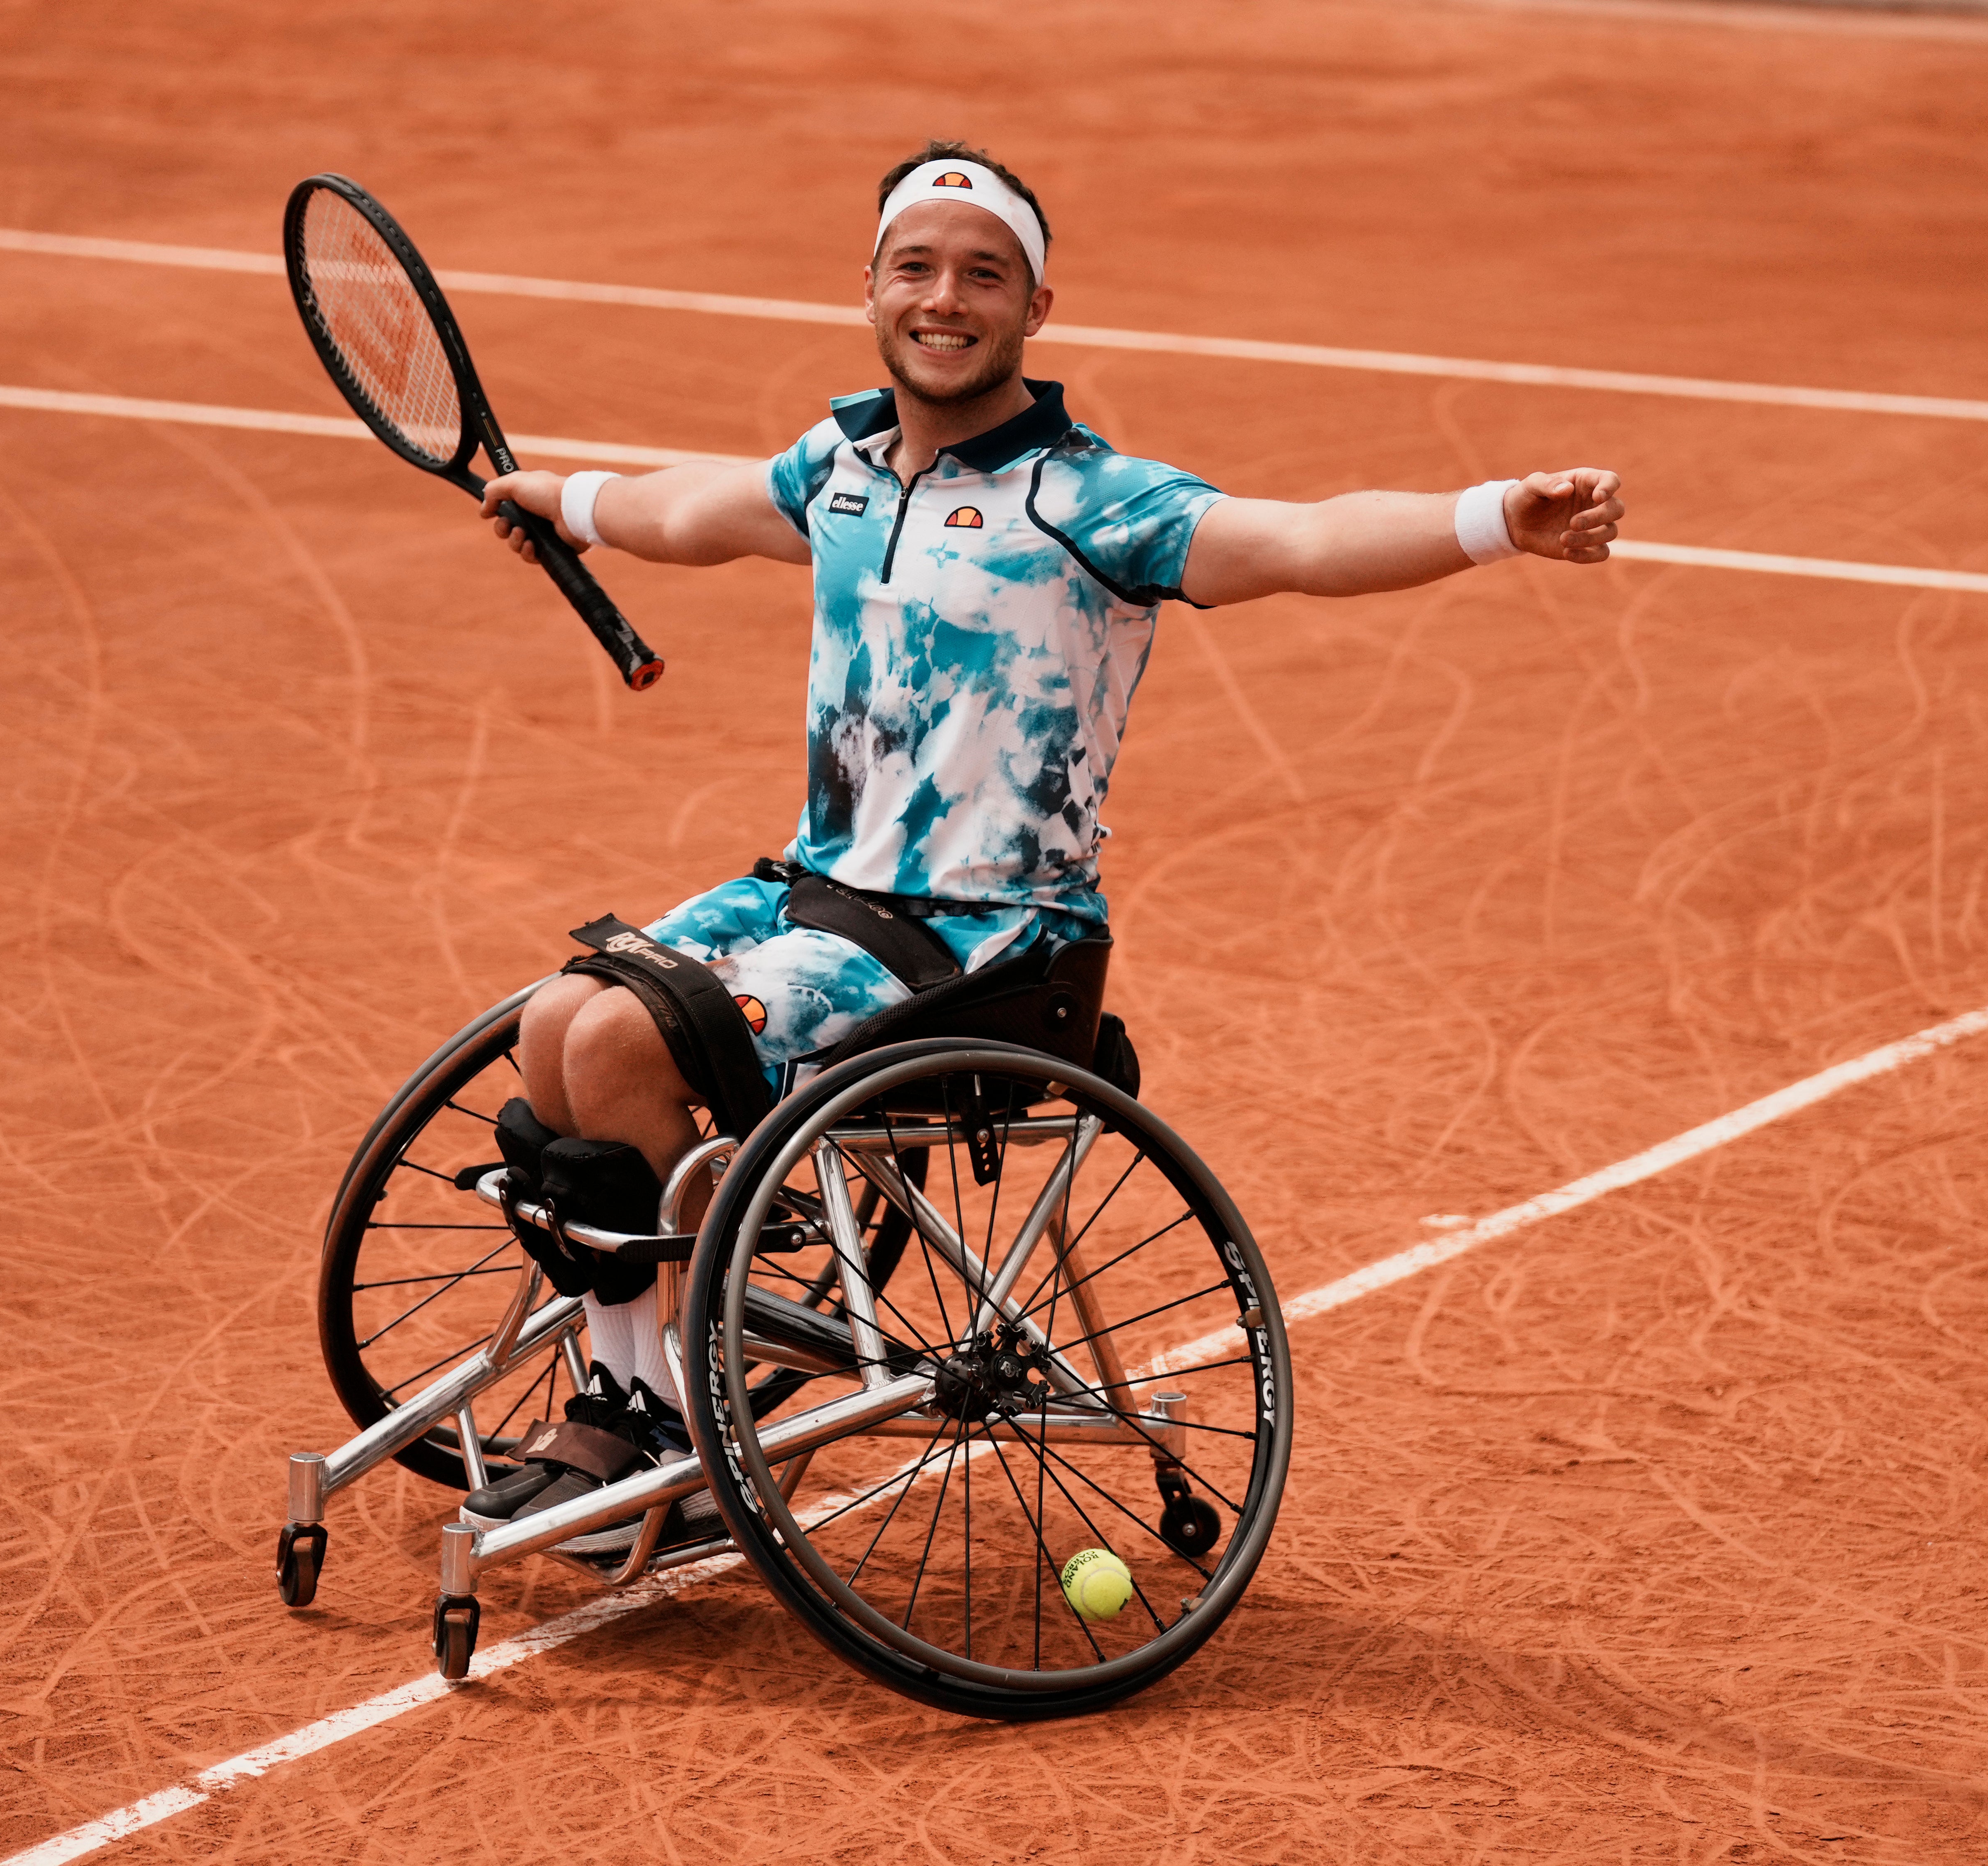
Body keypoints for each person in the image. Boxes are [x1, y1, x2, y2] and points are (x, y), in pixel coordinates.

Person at [456, 140, 1623, 1547]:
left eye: (983, 275)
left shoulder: (1092, 504)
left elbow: (1307, 539)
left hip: (992, 939)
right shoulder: (843, 467)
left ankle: (678, 1427)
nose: (946, 298)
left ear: (1036, 306)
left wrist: (1499, 519)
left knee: (629, 1050)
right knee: (557, 1024)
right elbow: (690, 510)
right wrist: (565, 499)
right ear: (872, 291)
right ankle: (643, 1397)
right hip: (823, 893)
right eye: (917, 268)